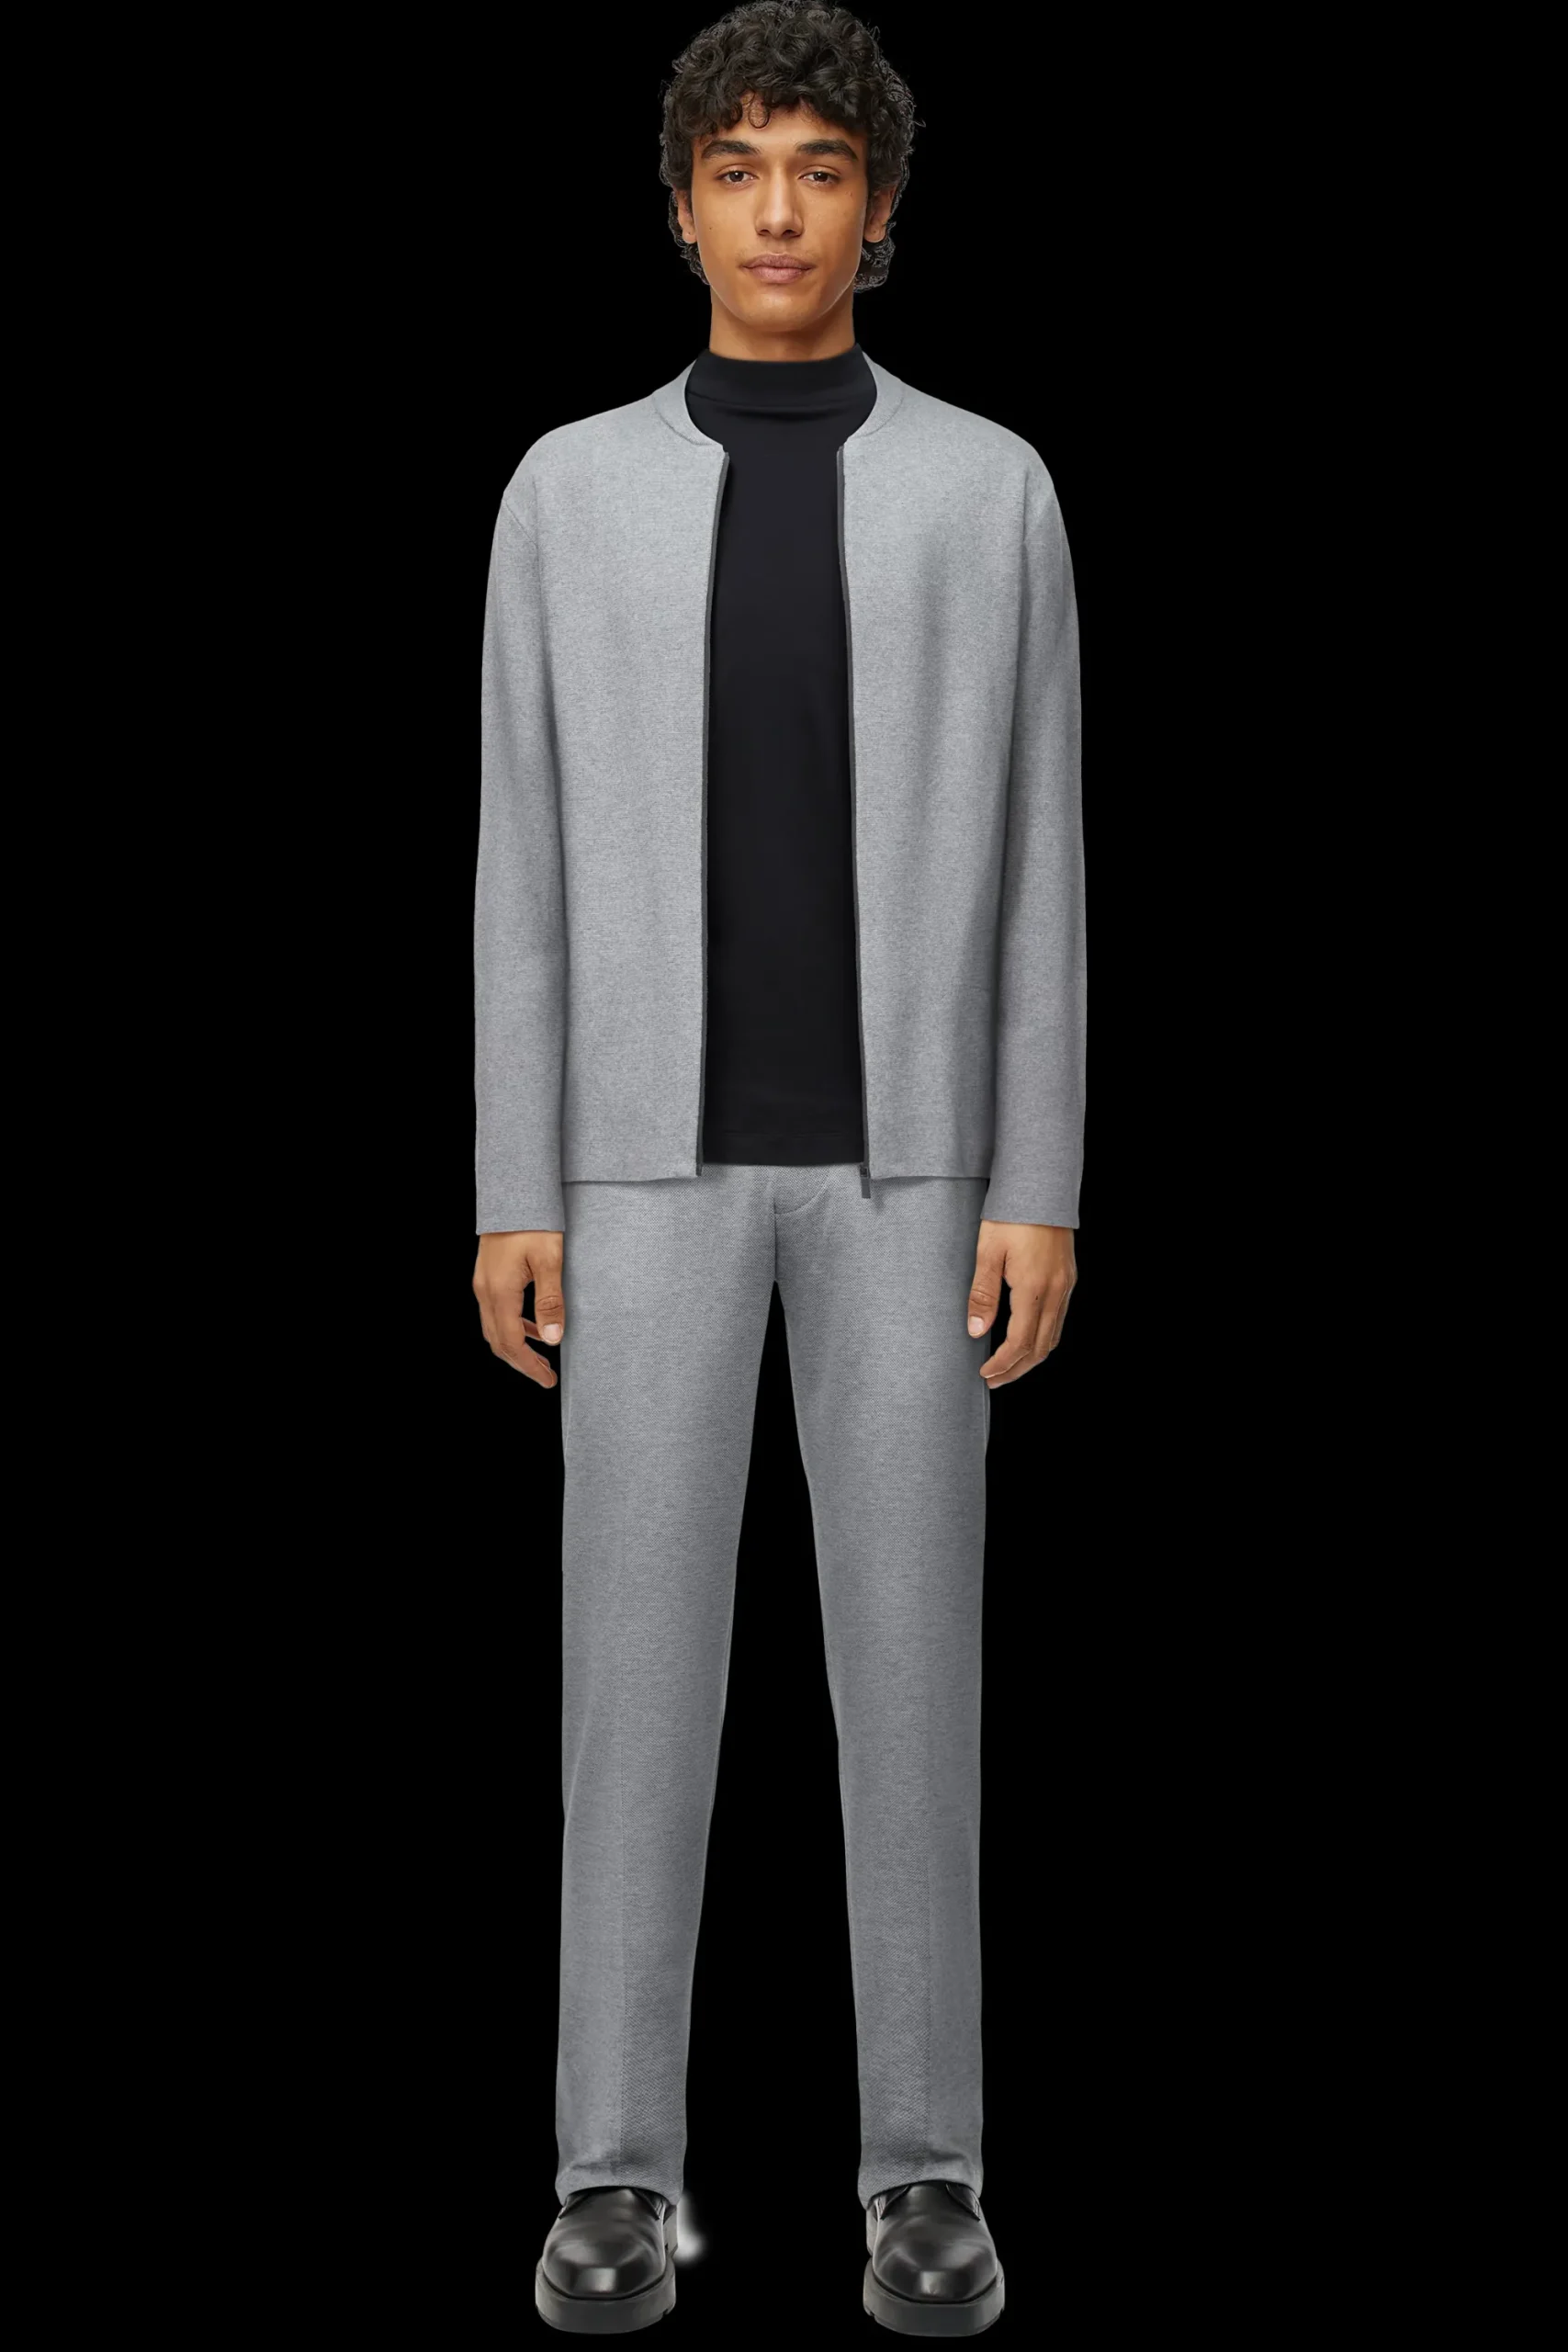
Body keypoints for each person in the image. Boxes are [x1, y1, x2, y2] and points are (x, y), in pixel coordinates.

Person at [473, 2, 1084, 2334]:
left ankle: (925, 2170)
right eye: (736, 167)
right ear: (679, 206)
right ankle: (610, 2175)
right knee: (627, 1685)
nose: (778, 209)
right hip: (637, 1170)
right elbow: (520, 863)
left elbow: (1043, 860)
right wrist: (513, 1179)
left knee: (912, 1676)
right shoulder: (564, 493)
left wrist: (1037, 1172)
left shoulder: (990, 492)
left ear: (880, 208)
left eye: (820, 166)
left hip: (911, 1175)